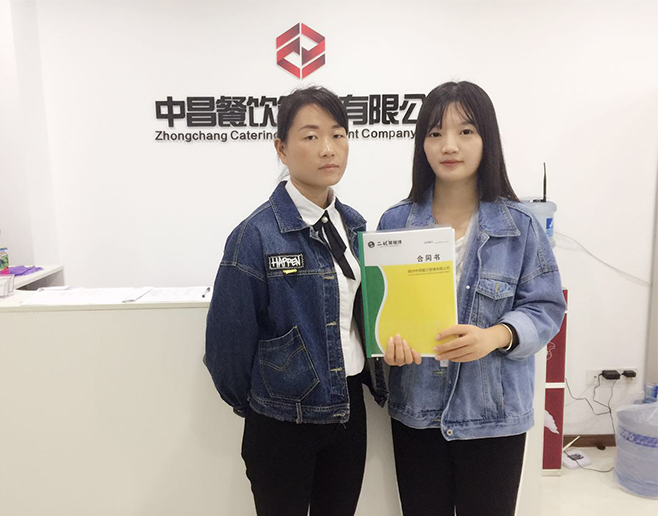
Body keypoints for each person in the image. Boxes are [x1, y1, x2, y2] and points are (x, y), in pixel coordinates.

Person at [378, 81, 566, 516]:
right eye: (435, 133)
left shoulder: (520, 225)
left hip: (493, 418)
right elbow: (380, 311)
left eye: (465, 131)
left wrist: (495, 336)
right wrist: (387, 346)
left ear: (487, 140)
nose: (449, 145)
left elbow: (546, 307)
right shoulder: (395, 223)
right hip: (418, 412)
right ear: (422, 144)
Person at [205, 85, 386, 516]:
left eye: (338, 134)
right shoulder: (255, 235)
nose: (328, 148)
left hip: (347, 412)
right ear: (282, 149)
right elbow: (227, 344)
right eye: (310, 136)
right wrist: (263, 406)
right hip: (282, 421)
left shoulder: (355, 226)